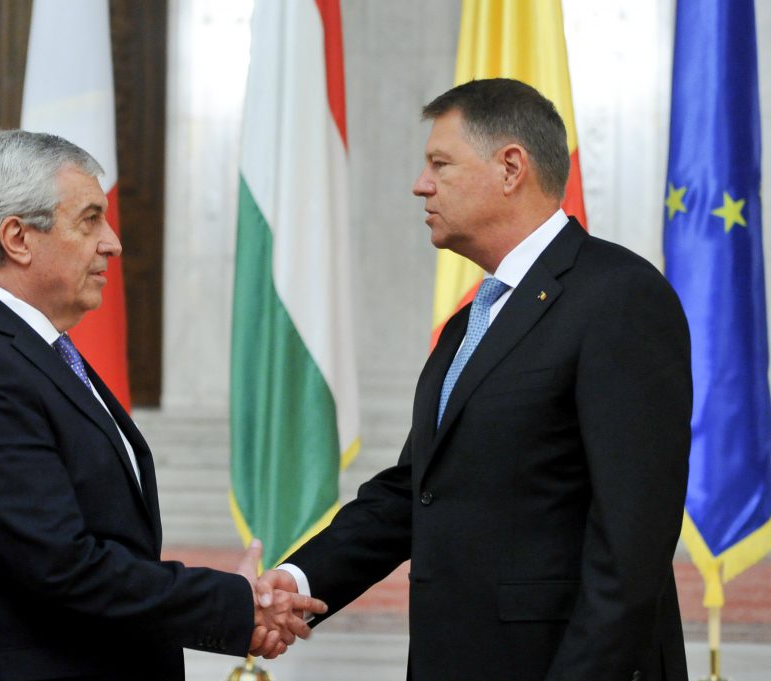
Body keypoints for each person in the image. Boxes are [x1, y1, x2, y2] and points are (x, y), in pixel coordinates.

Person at [258, 78, 692, 681]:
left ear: (510, 167)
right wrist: (298, 581)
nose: (421, 184)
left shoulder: (619, 296)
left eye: (440, 163)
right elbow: (416, 490)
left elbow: (632, 540)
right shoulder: (474, 319)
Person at [0, 130, 325, 681]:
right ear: (18, 238)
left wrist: (234, 604)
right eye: (90, 220)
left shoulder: (35, 350)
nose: (113, 243)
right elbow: (60, 565)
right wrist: (233, 603)